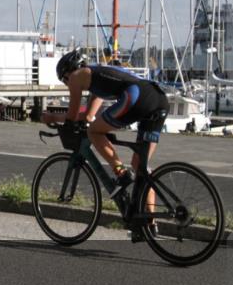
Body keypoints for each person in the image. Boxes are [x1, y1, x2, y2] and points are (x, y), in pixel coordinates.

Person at [42, 48, 169, 241]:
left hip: (138, 96)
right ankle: (149, 223)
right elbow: (87, 116)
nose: (67, 84)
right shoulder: (97, 79)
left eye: (64, 80)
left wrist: (52, 117)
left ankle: (121, 173)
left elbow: (72, 115)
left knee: (94, 131)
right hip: (158, 99)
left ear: (68, 72)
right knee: (140, 166)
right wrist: (69, 119)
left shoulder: (77, 76)